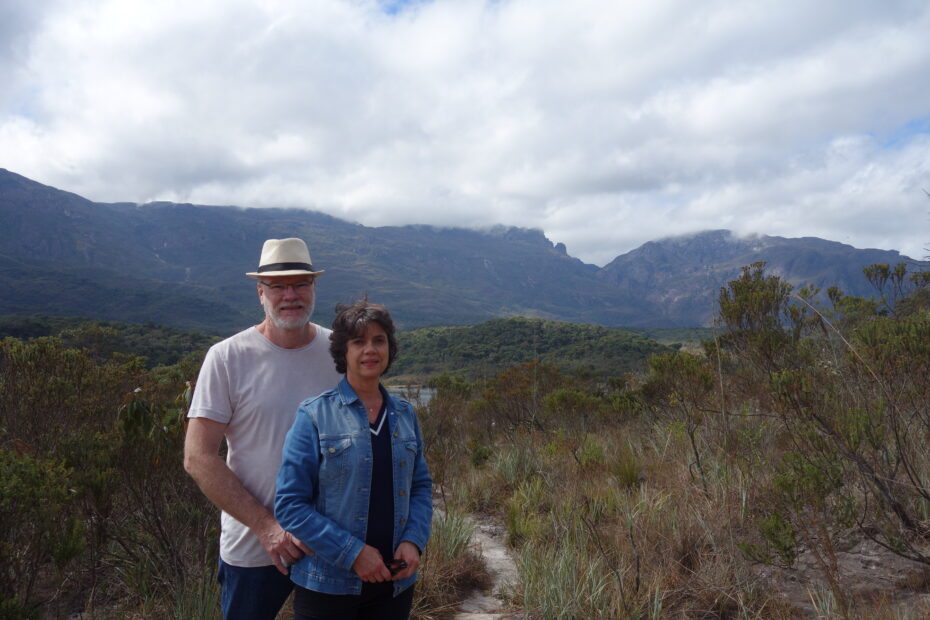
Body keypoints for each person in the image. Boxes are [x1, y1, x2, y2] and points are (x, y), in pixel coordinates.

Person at [184, 238, 341, 620]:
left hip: (332, 544)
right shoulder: (226, 358)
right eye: (278, 286)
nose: (291, 295)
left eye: (301, 284)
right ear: (260, 292)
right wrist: (266, 527)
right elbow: (198, 456)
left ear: (314, 289)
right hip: (254, 547)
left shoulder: (339, 351)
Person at [275, 300, 433, 620]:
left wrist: (413, 542)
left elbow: (420, 486)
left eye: (379, 340)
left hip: (394, 584)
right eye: (358, 342)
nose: (370, 350)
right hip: (327, 586)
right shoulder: (315, 414)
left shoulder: (404, 414)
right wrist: (354, 554)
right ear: (343, 352)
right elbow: (290, 505)